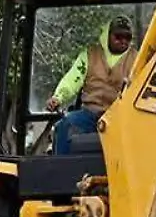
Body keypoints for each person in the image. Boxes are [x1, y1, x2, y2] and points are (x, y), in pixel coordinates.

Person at [47, 15, 139, 154]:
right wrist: (58, 97)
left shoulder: (137, 59)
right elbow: (73, 79)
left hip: (120, 117)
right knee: (65, 125)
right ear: (107, 35)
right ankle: (62, 169)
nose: (123, 41)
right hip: (90, 113)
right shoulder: (90, 55)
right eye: (118, 36)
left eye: (128, 37)